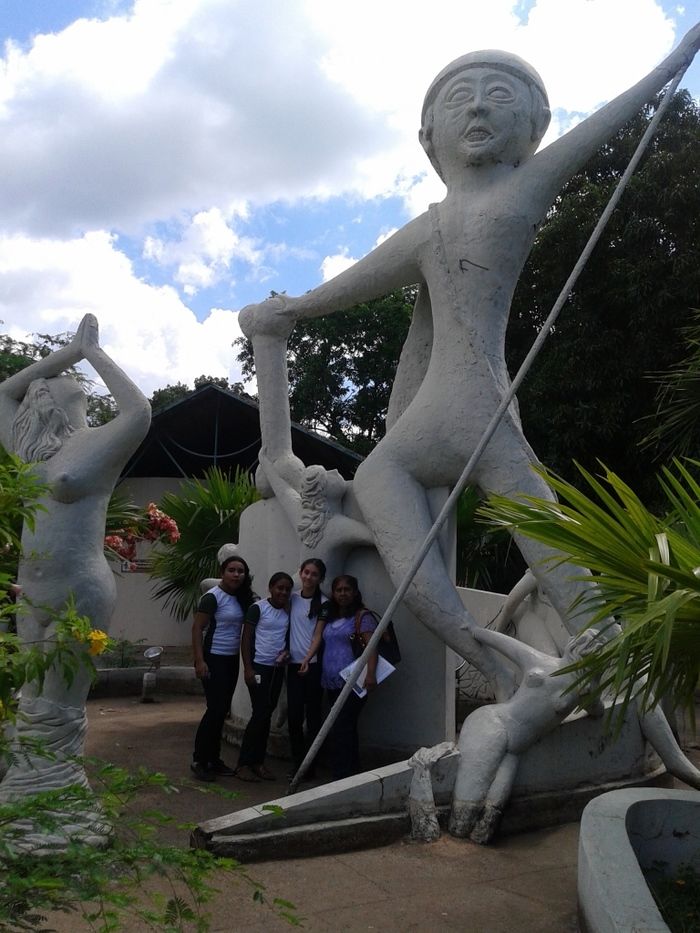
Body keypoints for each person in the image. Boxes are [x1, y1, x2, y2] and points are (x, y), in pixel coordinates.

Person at [239, 26, 700, 702]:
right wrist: (289, 310)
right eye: (460, 99)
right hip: (427, 424)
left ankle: (613, 661)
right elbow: (349, 287)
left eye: (498, 96)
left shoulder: (521, 191)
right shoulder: (428, 226)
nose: (479, 108)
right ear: (428, 138)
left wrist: (676, 60)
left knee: (547, 539)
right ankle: (500, 666)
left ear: (534, 127)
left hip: (486, 411)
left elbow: (603, 127)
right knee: (385, 492)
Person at [0, 313, 150, 811]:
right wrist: (64, 353)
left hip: (80, 589)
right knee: (31, 700)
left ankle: (57, 796)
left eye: (50, 394)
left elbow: (139, 410)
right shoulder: (33, 451)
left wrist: (92, 353)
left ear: (75, 404)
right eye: (35, 397)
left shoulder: (97, 445)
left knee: (58, 703)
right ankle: (27, 795)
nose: (37, 399)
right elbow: (2, 393)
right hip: (31, 592)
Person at [191, 554, 256, 782]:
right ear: (222, 573)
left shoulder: (241, 597)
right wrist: (200, 661)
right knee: (215, 709)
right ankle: (199, 760)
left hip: (231, 659)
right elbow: (197, 629)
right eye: (232, 570)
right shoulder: (212, 597)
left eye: (241, 571)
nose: (236, 575)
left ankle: (214, 759)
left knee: (222, 711)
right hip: (213, 658)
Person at [315, 575, 378, 780]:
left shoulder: (362, 617)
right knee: (346, 727)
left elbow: (371, 647)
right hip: (332, 682)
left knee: (341, 726)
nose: (343, 594)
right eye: (338, 590)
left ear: (355, 592)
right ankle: (353, 771)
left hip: (353, 682)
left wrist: (371, 674)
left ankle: (341, 774)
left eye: (347, 590)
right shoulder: (331, 617)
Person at [236, 571, 294, 782]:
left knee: (266, 714)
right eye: (280, 588)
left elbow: (285, 639)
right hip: (259, 668)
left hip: (276, 669)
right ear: (271, 588)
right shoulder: (258, 609)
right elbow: (246, 639)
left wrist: (286, 653)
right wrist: (248, 668)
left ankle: (258, 762)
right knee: (260, 713)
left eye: (287, 589)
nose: (283, 592)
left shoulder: (287, 613)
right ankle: (243, 764)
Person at [286, 557, 327, 779]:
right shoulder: (292, 598)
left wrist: (307, 659)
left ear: (321, 579)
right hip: (292, 666)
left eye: (314, 574)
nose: (309, 577)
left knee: (313, 717)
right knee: (294, 717)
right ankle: (297, 762)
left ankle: (310, 766)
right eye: (306, 572)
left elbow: (318, 635)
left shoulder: (324, 603)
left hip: (312, 666)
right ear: (300, 573)